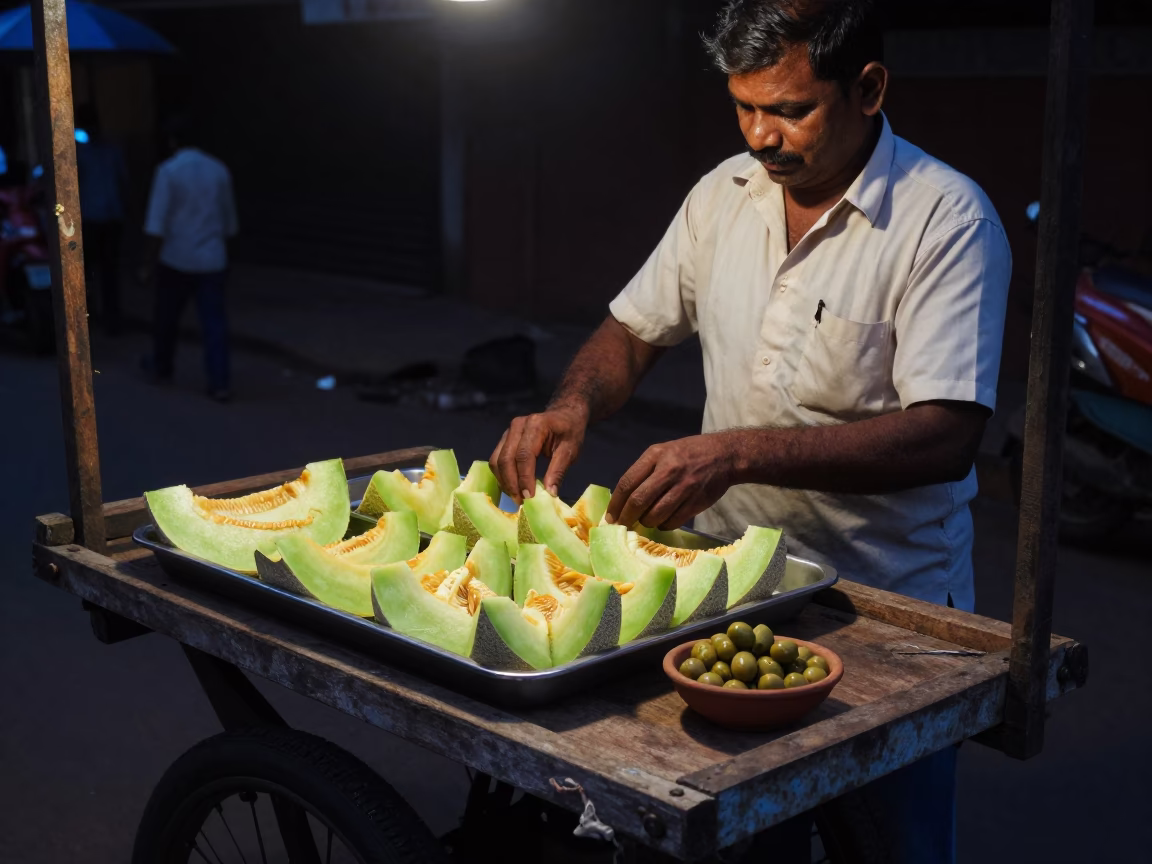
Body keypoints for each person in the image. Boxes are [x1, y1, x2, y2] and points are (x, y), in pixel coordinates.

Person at [490, 1, 1010, 861]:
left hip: (891, 609)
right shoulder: (722, 197)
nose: (762, 136)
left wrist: (737, 452)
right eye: (744, 107)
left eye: (792, 109)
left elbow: (944, 436)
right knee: (739, 840)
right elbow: (632, 331)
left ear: (869, 87)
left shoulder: (946, 220)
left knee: (895, 844)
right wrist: (573, 403)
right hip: (728, 592)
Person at [140, 115, 238, 401]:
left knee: (167, 318)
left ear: (172, 141)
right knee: (214, 323)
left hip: (176, 258)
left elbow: (155, 225)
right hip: (212, 259)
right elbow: (230, 224)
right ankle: (220, 382)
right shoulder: (219, 170)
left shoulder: (169, 171)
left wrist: (146, 264)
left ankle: (162, 368)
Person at [75, 107, 129, 335]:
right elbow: (124, 182)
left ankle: (100, 318)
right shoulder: (104, 151)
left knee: (98, 271)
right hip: (103, 217)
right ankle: (103, 318)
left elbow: (123, 182)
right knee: (104, 271)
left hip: (97, 219)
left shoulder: (85, 152)